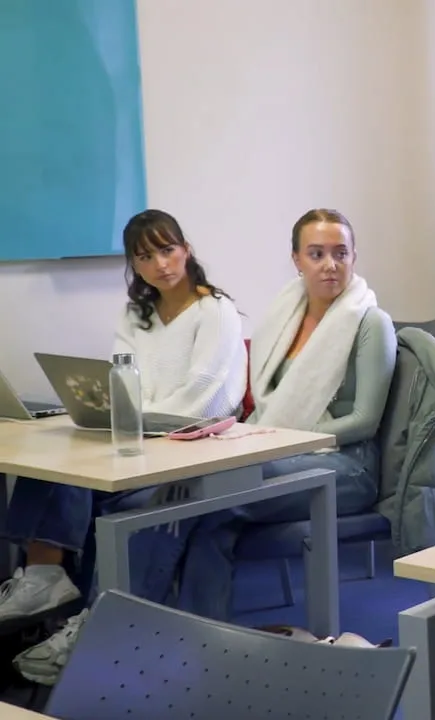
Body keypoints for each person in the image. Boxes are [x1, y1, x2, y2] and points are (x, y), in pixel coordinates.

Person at [3, 210, 246, 684]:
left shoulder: (215, 310)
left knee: (116, 483)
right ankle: (43, 575)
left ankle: (97, 626)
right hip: (145, 434)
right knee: (57, 451)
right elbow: (122, 383)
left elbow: (203, 395)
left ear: (186, 249)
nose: (160, 263)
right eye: (145, 256)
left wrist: (139, 419)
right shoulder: (136, 315)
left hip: (193, 443)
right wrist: (124, 417)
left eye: (168, 249)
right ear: (134, 265)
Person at [176, 208, 396, 621]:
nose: (330, 265)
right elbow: (265, 401)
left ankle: (133, 624)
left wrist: (287, 441)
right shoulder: (284, 317)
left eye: (340, 253)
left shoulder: (370, 322)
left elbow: (365, 420)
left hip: (347, 467)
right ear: (296, 260)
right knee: (203, 515)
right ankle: (194, 636)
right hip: (282, 451)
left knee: (209, 499)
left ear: (354, 257)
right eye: (316, 254)